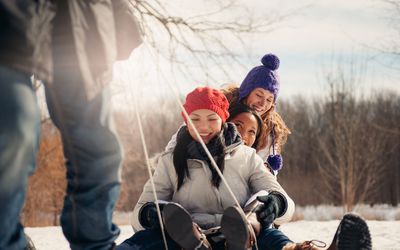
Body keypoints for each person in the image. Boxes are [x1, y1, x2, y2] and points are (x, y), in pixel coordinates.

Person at [0, 1, 141, 249]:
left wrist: (119, 11)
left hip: (81, 18)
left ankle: (96, 245)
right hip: (11, 14)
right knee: (13, 133)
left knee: (101, 149)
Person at [117, 86, 296, 249]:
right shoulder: (170, 160)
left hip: (239, 234)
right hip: (184, 237)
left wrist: (277, 204)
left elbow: (284, 202)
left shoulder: (247, 157)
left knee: (270, 234)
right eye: (195, 119)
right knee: (146, 239)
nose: (203, 126)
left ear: (223, 120)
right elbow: (140, 212)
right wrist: (149, 214)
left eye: (212, 118)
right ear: (186, 122)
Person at [221, 53, 291, 174]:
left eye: (269, 100)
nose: (263, 103)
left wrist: (266, 171)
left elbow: (268, 176)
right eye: (259, 95)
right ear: (246, 90)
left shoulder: (270, 132)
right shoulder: (222, 108)